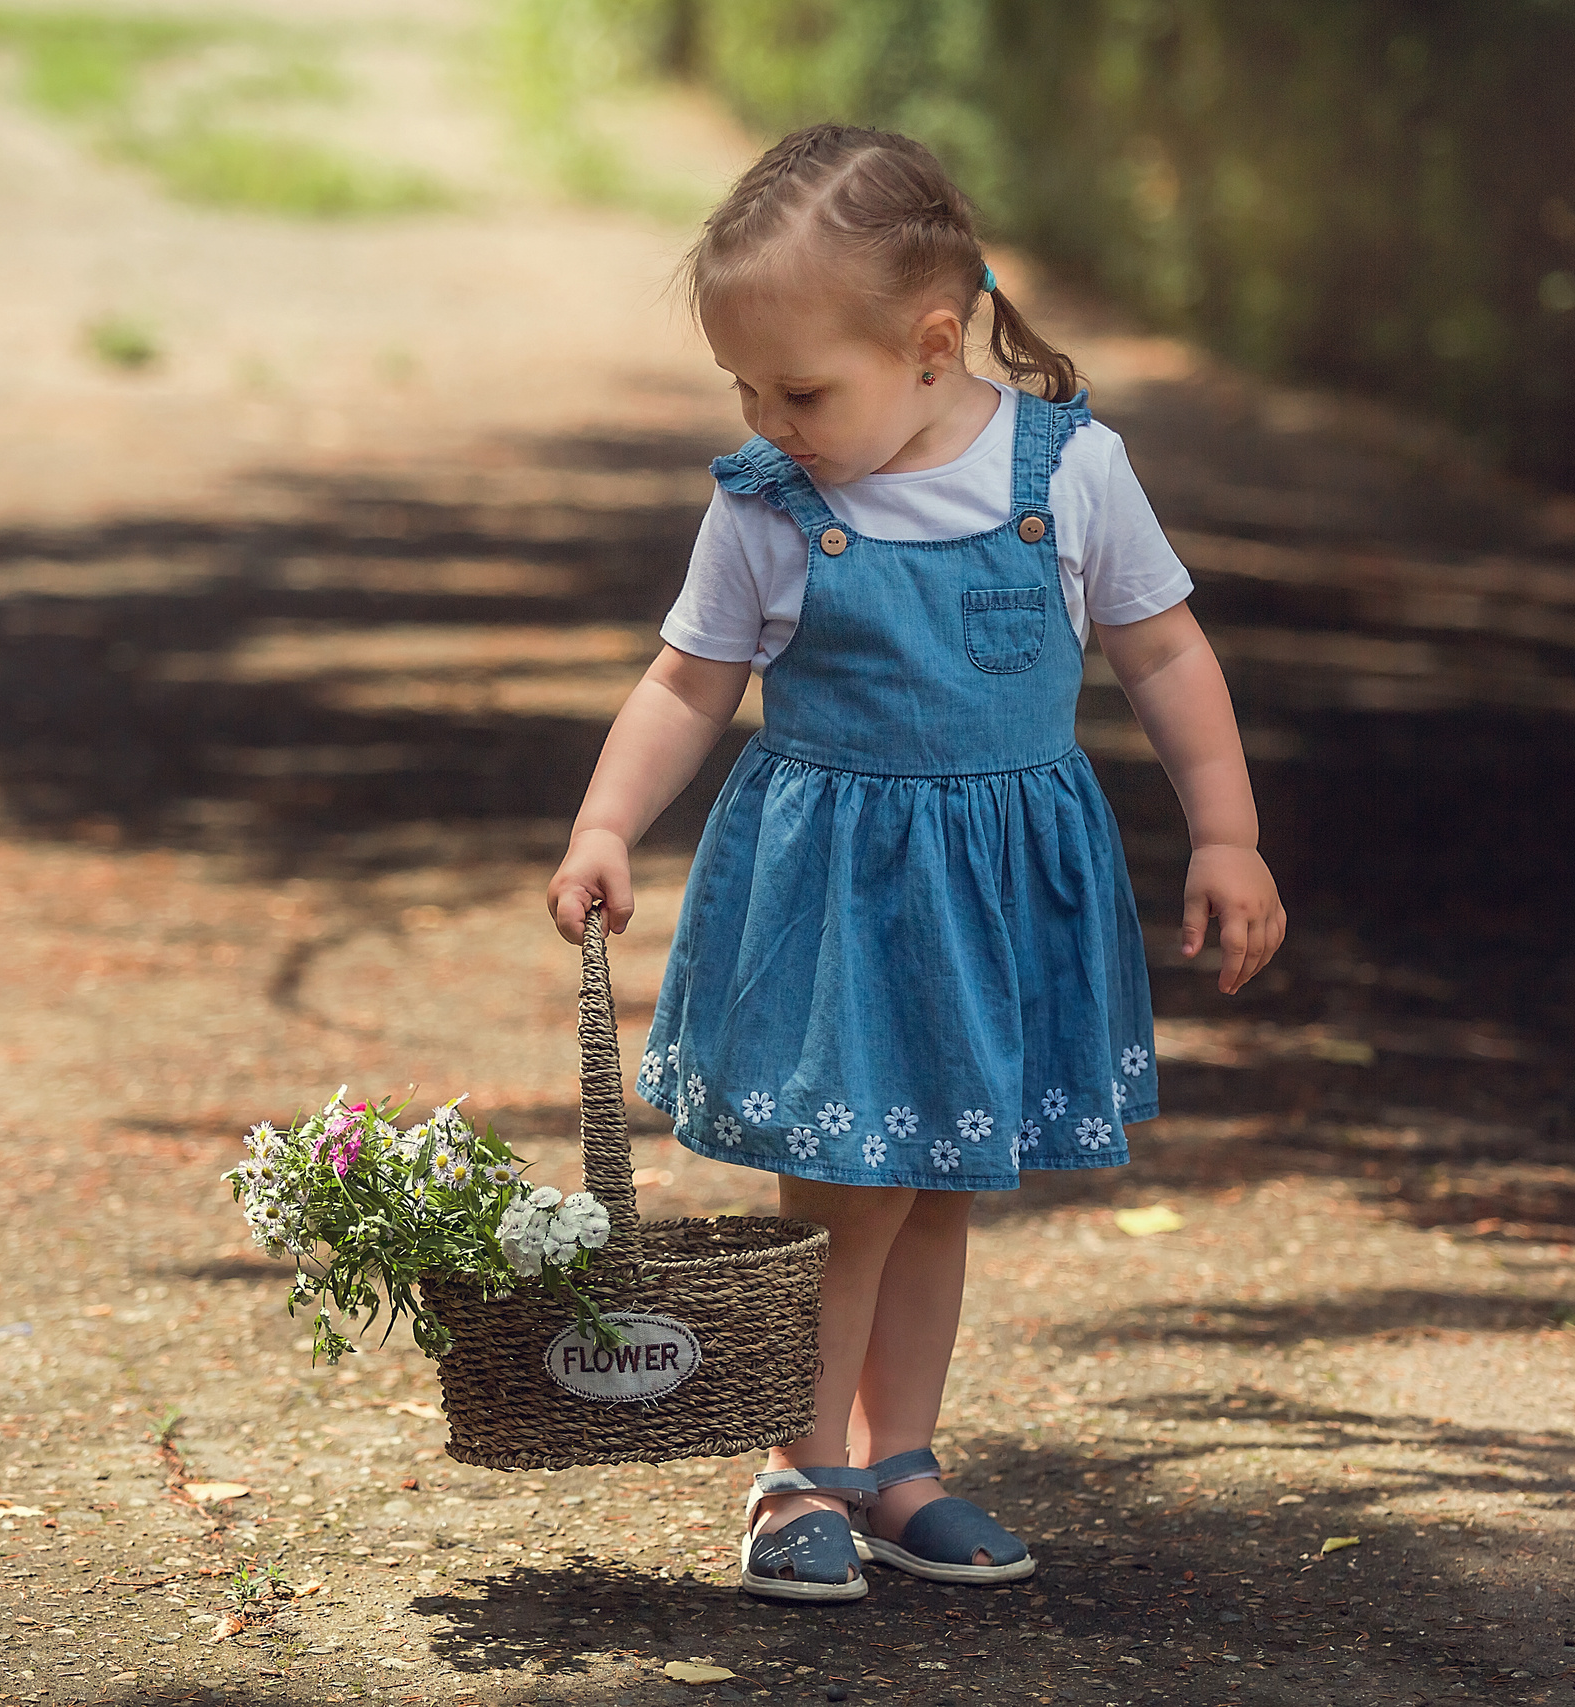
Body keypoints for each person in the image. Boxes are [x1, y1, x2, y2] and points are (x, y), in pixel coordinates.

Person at [544, 123, 1285, 1602]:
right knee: (840, 1193)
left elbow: (1163, 650)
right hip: (841, 907)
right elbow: (688, 679)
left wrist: (1227, 831)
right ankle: (794, 1470)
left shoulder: (1070, 473)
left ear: (933, 344)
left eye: (800, 388)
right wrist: (606, 822)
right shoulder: (771, 502)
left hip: (998, 900)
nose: (769, 416)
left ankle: (900, 1465)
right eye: (744, 386)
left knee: (938, 1189)